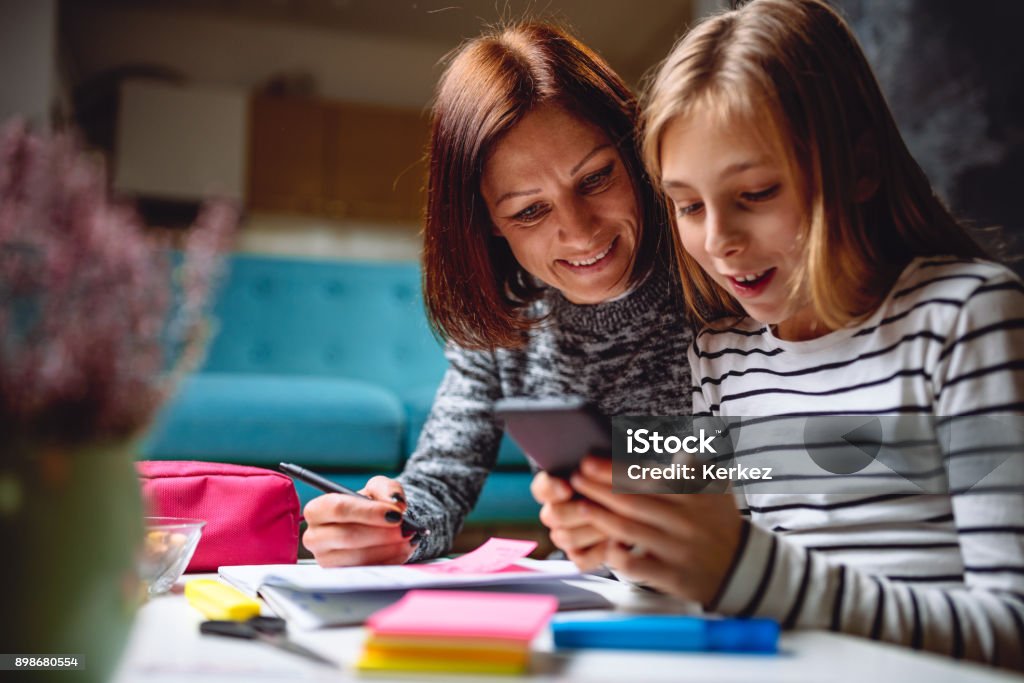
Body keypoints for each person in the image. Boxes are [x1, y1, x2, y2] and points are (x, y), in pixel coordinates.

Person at [536, 0, 1024, 670]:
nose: (719, 241)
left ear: (859, 168)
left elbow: (1011, 623)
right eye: (687, 205)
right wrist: (622, 537)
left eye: (757, 192)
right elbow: (686, 581)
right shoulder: (719, 353)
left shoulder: (966, 319)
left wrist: (751, 569)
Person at [301, 22, 693, 567]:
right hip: (602, 605)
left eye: (596, 178)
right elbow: (440, 483)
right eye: (530, 211)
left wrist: (626, 474)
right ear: (487, 223)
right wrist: (388, 525)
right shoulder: (506, 316)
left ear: (636, 150)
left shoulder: (720, 264)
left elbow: (804, 454)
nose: (580, 232)